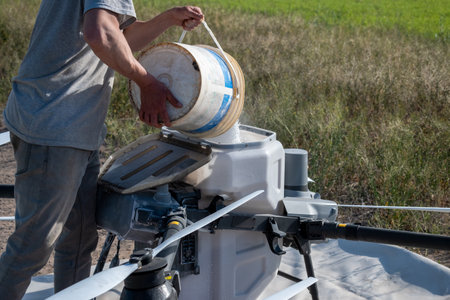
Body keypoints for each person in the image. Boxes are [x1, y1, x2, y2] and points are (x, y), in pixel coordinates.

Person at [0, 1, 203, 298]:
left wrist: (168, 19)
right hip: (56, 127)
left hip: (72, 126)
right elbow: (101, 35)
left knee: (79, 238)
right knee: (33, 245)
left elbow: (118, 37)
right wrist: (146, 82)